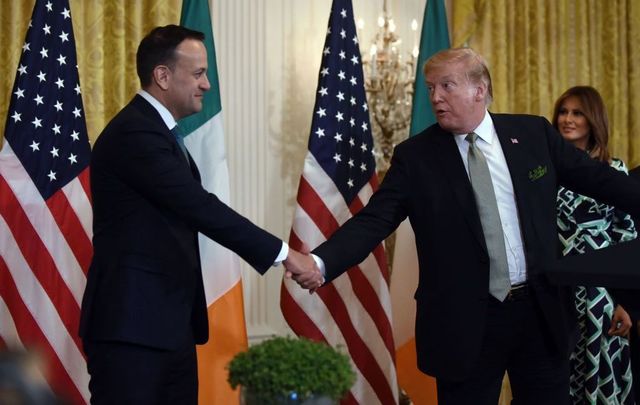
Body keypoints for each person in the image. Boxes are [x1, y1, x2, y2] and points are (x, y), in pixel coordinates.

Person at [296, 48, 640, 405]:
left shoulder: (533, 134)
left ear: (480, 89)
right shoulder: (416, 157)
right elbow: (374, 221)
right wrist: (321, 262)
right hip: (464, 325)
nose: (435, 97)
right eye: (430, 88)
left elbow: (601, 180)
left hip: (540, 314)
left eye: (447, 86)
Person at [78, 25, 322, 404]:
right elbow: (200, 206)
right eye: (198, 73)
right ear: (162, 75)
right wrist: (284, 254)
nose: (207, 84)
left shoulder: (158, 132)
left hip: (165, 325)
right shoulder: (135, 133)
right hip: (133, 328)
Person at [552, 86, 636, 404]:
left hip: (604, 296)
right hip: (555, 289)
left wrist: (628, 302)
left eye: (577, 113)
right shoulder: (543, 171)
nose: (568, 120)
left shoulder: (614, 171)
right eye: (563, 111)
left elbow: (627, 237)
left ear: (593, 120)